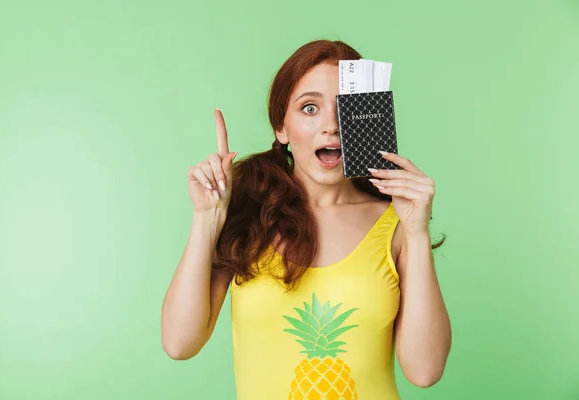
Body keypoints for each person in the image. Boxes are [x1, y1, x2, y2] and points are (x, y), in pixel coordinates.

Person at [161, 39, 451, 400]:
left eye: (346, 109)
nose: (331, 126)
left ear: (366, 121)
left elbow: (424, 372)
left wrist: (418, 232)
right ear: (281, 129)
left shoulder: (396, 226)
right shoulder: (246, 216)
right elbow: (179, 343)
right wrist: (207, 217)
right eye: (309, 108)